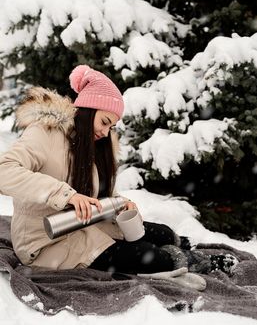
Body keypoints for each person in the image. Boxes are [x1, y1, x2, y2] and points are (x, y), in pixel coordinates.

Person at [0, 65, 237, 278]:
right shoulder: (44, 133)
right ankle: (186, 262)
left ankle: (179, 246)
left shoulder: (94, 146)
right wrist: (65, 195)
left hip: (84, 226)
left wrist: (120, 205)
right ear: (88, 110)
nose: (106, 132)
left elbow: (102, 196)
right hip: (45, 241)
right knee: (149, 256)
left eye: (111, 126)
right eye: (104, 121)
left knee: (163, 234)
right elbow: (5, 170)